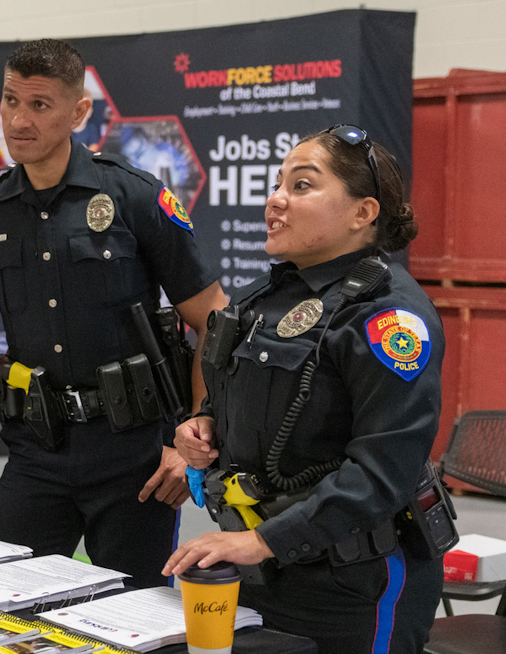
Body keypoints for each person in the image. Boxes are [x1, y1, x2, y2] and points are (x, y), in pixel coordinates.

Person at [0, 39, 227, 588]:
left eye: (39, 105)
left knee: (136, 624)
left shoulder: (134, 197)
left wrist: (190, 444)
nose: (18, 119)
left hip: (135, 460)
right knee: (5, 612)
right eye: (11, 100)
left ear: (79, 112)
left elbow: (215, 322)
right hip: (37, 452)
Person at [166, 126, 446, 653]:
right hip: (259, 570)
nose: (275, 199)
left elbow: (383, 473)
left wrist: (262, 540)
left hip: (351, 583)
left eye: (301, 186)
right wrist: (201, 429)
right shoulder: (261, 300)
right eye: (277, 184)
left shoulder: (390, 318)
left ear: (363, 213)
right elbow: (234, 404)